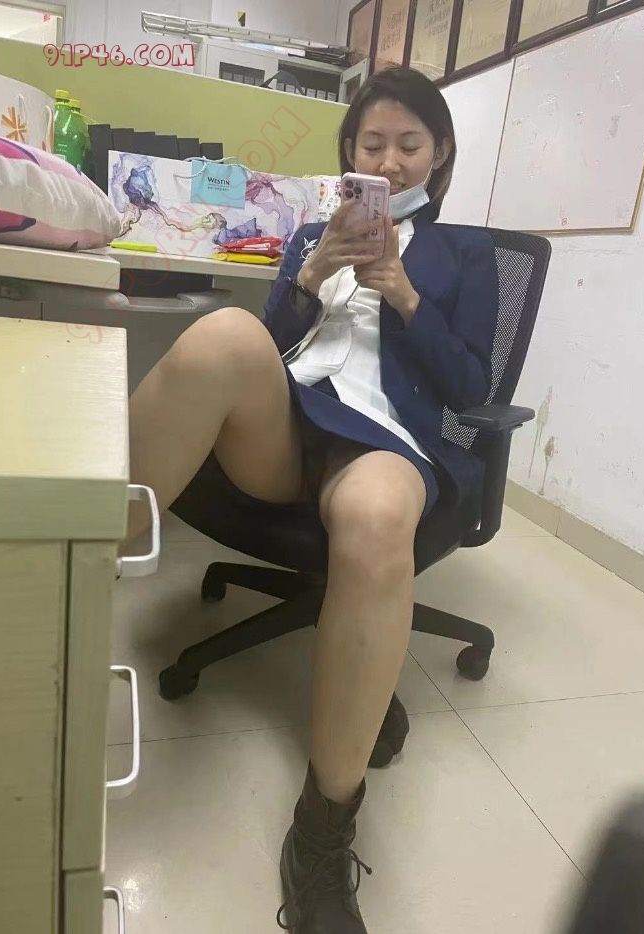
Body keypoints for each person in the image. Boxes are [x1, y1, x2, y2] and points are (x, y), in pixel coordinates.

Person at [126, 66, 499, 933]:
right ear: (349, 156)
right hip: (289, 428)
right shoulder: (307, 236)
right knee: (225, 332)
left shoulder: (468, 255)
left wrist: (404, 294)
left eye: (409, 144)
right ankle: (65, 593)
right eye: (373, 144)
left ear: (440, 153)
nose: (390, 162)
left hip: (387, 440)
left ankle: (323, 830)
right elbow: (268, 348)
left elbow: (471, 387)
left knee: (375, 516)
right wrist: (308, 278)